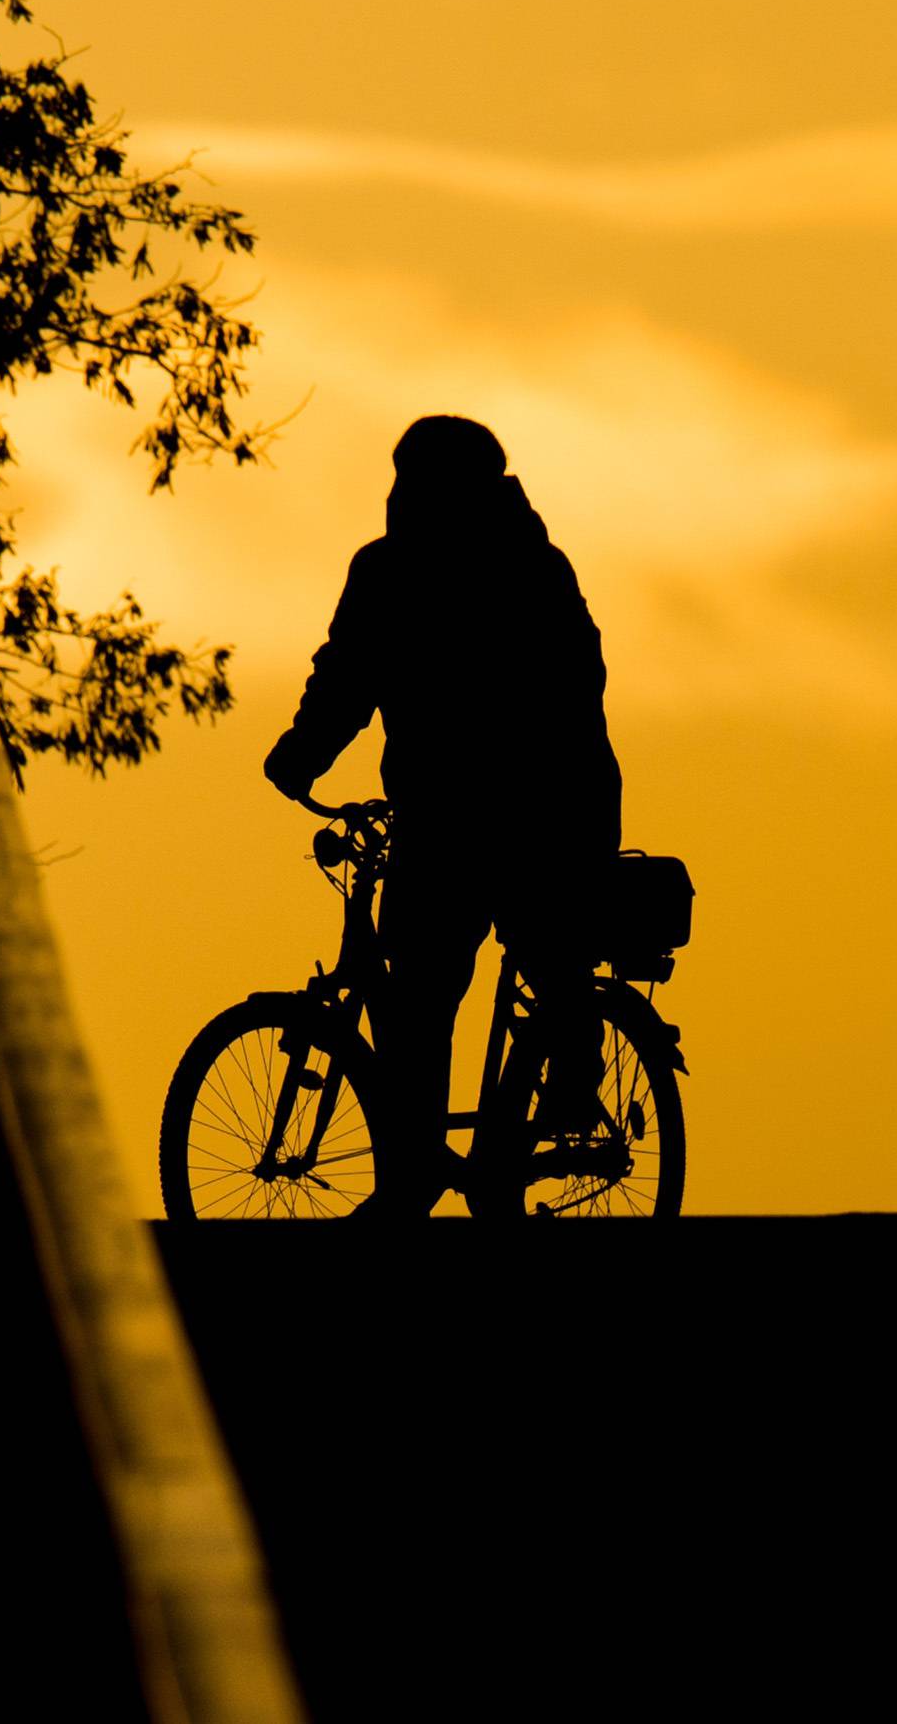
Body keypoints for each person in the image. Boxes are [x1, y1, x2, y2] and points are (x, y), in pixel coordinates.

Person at [263, 415, 623, 1216]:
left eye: (411, 474)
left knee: (508, 961)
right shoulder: (439, 568)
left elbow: (572, 689)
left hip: (539, 808)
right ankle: (417, 1166)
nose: (399, 490)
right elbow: (349, 676)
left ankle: (568, 1074)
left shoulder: (515, 570)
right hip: (451, 812)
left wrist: (301, 757)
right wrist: (303, 750)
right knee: (423, 989)